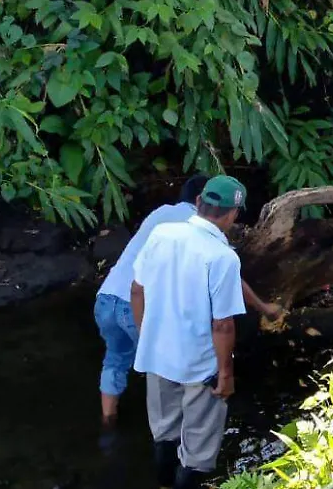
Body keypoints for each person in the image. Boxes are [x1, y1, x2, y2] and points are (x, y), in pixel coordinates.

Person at [92, 174, 282, 435]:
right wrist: (263, 307)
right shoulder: (195, 229)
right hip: (134, 305)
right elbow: (230, 281)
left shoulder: (162, 214)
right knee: (167, 370)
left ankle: (108, 420)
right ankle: (175, 432)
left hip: (106, 299)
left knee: (115, 359)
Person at [130, 175, 249, 489]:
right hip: (199, 365)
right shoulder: (223, 257)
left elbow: (137, 291)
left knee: (165, 432)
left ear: (198, 203)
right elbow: (222, 324)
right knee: (196, 451)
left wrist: (147, 338)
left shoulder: (161, 233)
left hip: (157, 356)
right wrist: (226, 374)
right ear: (233, 214)